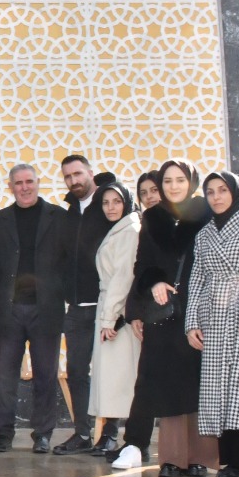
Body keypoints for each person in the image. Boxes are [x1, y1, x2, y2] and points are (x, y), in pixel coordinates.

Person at [113, 160, 216, 475]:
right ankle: (160, 454)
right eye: (167, 181)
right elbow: (142, 263)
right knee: (152, 378)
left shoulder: (206, 212)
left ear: (191, 181)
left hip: (198, 310)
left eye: (179, 180)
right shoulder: (153, 218)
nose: (173, 186)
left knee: (194, 382)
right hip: (162, 311)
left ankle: (196, 457)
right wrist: (154, 283)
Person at [185, 171, 239, 477]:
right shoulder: (204, 233)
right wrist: (192, 322)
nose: (217, 197)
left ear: (235, 192)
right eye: (210, 192)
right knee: (219, 391)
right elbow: (197, 280)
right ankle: (232, 461)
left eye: (223, 190)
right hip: (214, 317)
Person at [0, 163, 70, 453]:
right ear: (11, 187)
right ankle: (3, 435)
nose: (24, 187)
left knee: (46, 374)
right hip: (9, 310)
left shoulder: (58, 217)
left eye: (29, 181)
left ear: (38, 183)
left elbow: (67, 262)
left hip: (46, 309)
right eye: (18, 183)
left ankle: (43, 434)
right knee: (5, 376)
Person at [54, 155, 112, 455]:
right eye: (68, 176)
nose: (74, 180)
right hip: (77, 307)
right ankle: (82, 433)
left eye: (78, 174)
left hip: (106, 305)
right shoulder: (68, 213)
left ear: (91, 172)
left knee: (109, 371)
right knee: (76, 371)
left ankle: (111, 434)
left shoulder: (108, 206)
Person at [85, 181, 141, 457]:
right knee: (115, 378)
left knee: (121, 378)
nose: (110, 207)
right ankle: (115, 438)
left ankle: (123, 440)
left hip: (118, 315)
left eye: (116, 202)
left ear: (127, 202)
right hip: (111, 308)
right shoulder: (117, 230)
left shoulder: (129, 231)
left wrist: (110, 319)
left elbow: (122, 277)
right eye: (106, 202)